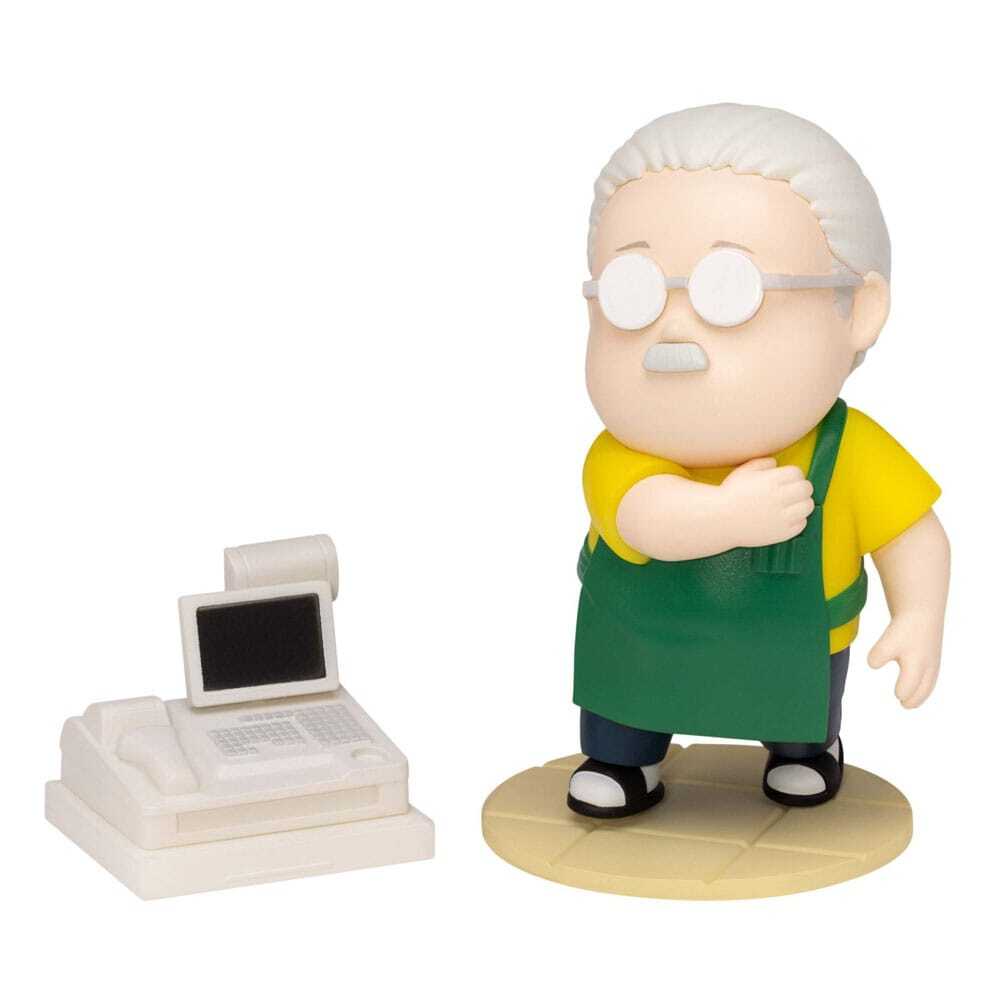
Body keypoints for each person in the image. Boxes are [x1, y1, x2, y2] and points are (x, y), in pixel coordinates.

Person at [569, 104, 950, 817]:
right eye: (630, 293)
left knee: (799, 706)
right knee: (626, 702)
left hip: (795, 646)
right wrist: (727, 516)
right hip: (638, 640)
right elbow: (646, 518)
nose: (672, 328)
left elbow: (913, 533)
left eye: (728, 290)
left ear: (857, 311)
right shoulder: (619, 454)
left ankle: (802, 750)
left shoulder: (851, 448)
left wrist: (920, 614)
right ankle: (624, 758)